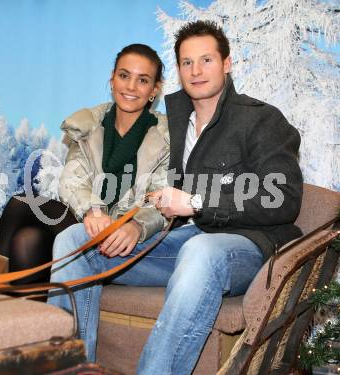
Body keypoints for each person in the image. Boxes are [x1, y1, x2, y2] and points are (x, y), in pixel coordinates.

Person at [49, 20, 303, 374]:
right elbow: (153, 192)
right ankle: (67, 366)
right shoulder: (174, 127)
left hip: (249, 246)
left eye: (207, 60)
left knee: (201, 251)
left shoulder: (261, 119)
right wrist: (136, 227)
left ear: (227, 64)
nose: (196, 71)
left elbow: (284, 198)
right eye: (187, 62)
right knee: (75, 240)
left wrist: (197, 203)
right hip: (185, 241)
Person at [0, 43, 169, 284]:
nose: (130, 86)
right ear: (112, 79)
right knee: (28, 238)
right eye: (124, 75)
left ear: (155, 90)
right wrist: (93, 210)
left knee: (21, 205)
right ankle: (26, 316)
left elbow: (161, 199)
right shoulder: (88, 125)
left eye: (143, 80)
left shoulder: (167, 136)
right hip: (87, 223)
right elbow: (72, 181)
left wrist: (135, 225)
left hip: (121, 240)